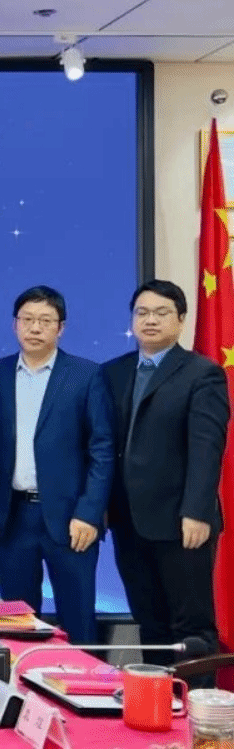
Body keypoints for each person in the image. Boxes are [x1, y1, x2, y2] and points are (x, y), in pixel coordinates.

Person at [0, 285, 113, 644]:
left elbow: (102, 450)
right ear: (15, 324)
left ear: (60, 328)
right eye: (27, 319)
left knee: (77, 622)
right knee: (16, 624)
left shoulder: (86, 374)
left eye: (45, 321)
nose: (35, 328)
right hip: (12, 518)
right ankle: (22, 681)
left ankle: (81, 680)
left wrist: (89, 514)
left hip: (70, 520)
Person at [102, 280, 229, 665]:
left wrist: (197, 511)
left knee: (191, 629)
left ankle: (194, 702)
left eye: (161, 313)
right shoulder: (114, 372)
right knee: (150, 624)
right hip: (128, 522)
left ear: (181, 319)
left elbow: (207, 449)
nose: (150, 320)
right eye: (142, 313)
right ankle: (157, 698)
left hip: (181, 523)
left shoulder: (202, 373)